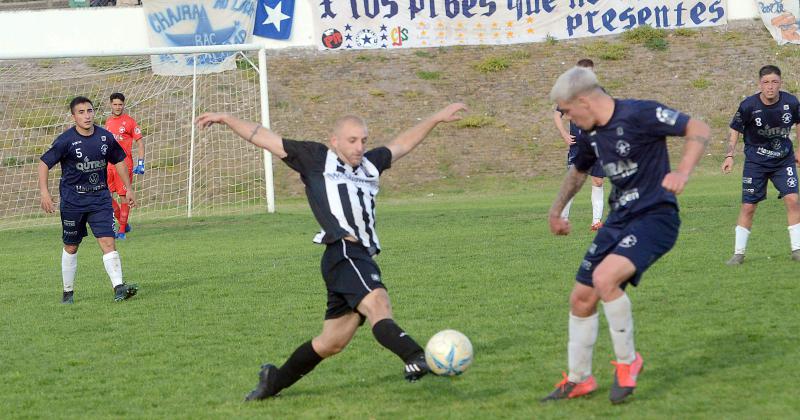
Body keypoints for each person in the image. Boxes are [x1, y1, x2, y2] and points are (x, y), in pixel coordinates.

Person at [195, 103, 467, 400]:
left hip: (356, 257)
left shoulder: (370, 164)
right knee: (378, 302)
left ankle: (274, 381)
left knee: (331, 342)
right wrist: (226, 119)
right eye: (352, 140)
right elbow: (265, 137)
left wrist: (436, 118)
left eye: (363, 140)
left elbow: (402, 143)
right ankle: (416, 357)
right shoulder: (315, 158)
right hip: (344, 251)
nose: (359, 146)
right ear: (335, 141)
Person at [542, 67, 710, 404]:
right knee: (581, 298)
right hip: (619, 218)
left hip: (655, 216)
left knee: (605, 279)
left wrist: (682, 171)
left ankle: (628, 362)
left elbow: (698, 128)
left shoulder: (640, 113)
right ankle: (579, 379)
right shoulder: (591, 133)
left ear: (584, 101)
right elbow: (578, 171)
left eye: (569, 111)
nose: (568, 118)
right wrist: (557, 209)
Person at [38, 96, 139, 304]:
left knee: (108, 241)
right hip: (73, 201)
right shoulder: (65, 140)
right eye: (81, 112)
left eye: (90, 111)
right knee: (71, 246)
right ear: (74, 116)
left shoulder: (105, 137)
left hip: (100, 199)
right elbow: (44, 164)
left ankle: (119, 287)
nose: (87, 115)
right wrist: (44, 193)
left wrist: (128, 188)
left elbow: (119, 160)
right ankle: (68, 292)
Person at [721, 65, 800, 265]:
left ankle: (797, 249)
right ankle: (738, 254)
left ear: (780, 83)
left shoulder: (791, 102)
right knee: (748, 207)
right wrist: (729, 155)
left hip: (783, 160)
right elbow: (735, 129)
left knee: (793, 200)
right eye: (766, 82)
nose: (770, 87)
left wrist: (799, 150)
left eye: (774, 82)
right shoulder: (748, 105)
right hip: (756, 162)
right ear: (760, 84)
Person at [553, 59, 606, 231]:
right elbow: (557, 115)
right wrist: (564, 134)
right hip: (579, 146)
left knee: (598, 181)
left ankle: (596, 222)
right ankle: (563, 219)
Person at [105, 92, 145, 240]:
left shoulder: (130, 122)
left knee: (124, 196)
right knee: (106, 196)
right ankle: (124, 223)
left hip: (124, 164)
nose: (117, 107)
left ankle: (121, 231)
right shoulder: (108, 122)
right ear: (111, 104)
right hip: (108, 165)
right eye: (115, 104)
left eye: (120, 104)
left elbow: (140, 142)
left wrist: (141, 163)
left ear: (124, 105)